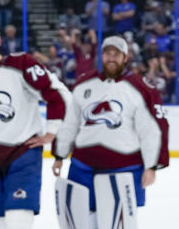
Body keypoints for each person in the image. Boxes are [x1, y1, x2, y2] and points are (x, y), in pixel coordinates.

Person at [0, 20, 70, 229]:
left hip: (22, 153)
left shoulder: (22, 64)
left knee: (18, 219)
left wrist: (50, 134)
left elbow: (57, 95)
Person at [52, 36, 169, 228]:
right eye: (107, 53)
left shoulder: (142, 88)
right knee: (84, 223)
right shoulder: (83, 84)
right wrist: (59, 155)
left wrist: (152, 166)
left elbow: (153, 130)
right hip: (83, 167)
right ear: (102, 56)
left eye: (116, 54)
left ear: (125, 57)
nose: (111, 58)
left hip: (124, 168)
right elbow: (70, 123)